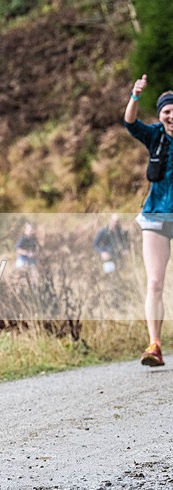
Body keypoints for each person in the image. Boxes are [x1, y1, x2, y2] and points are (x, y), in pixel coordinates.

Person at [124, 73, 172, 367]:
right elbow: (130, 123)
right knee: (154, 283)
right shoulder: (154, 135)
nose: (172, 116)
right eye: (167, 111)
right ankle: (154, 344)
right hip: (155, 218)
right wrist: (135, 95)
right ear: (160, 115)